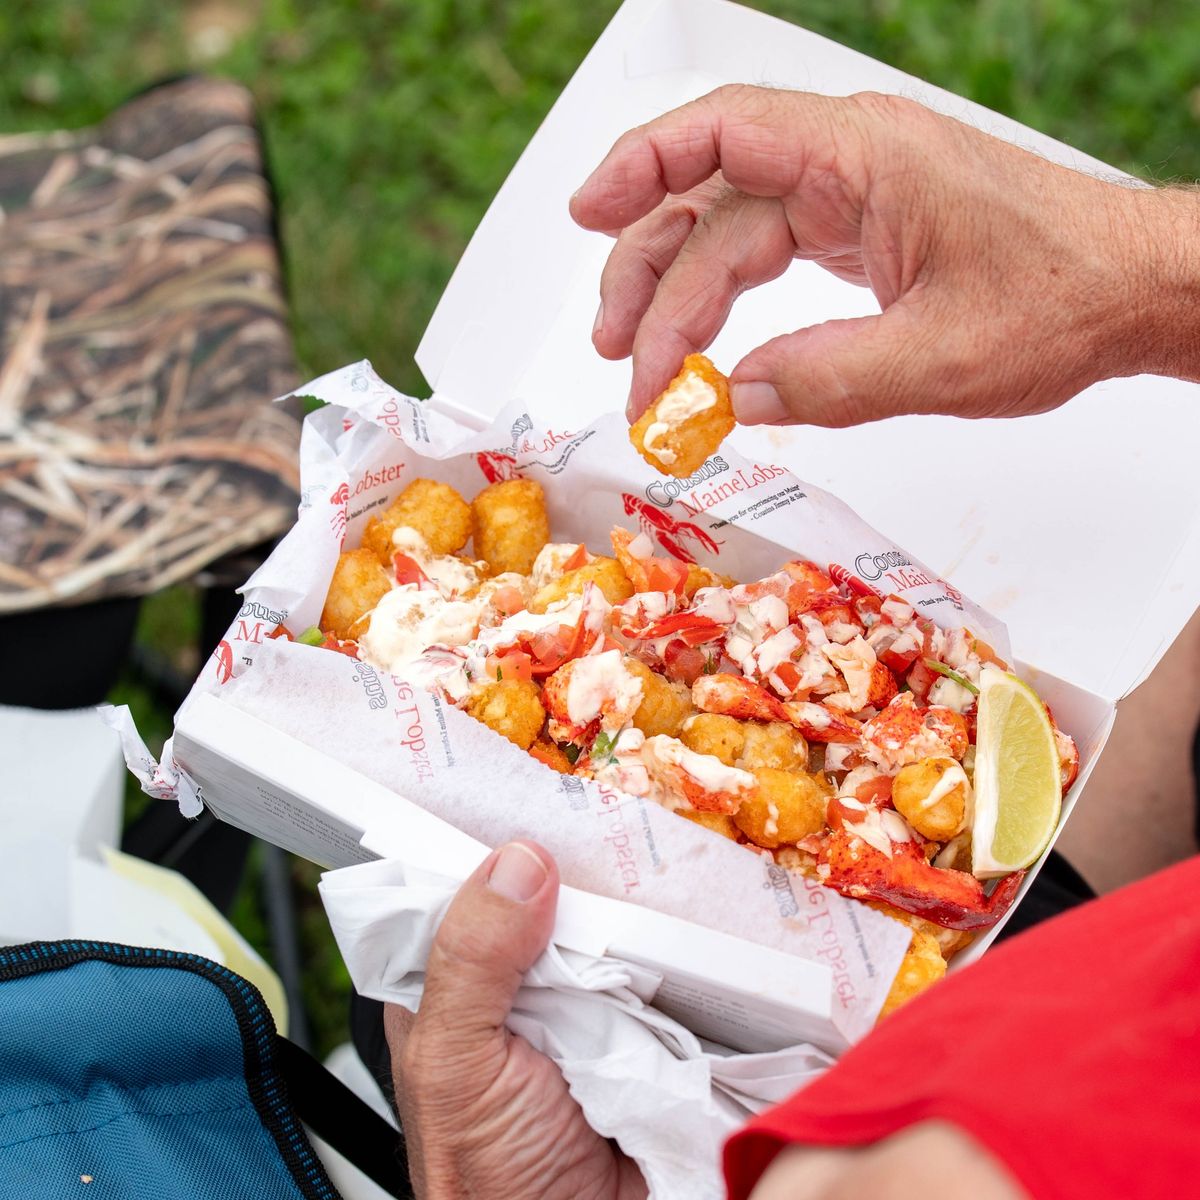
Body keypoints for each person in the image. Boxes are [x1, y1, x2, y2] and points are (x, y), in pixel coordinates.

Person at [381, 87, 1200, 1199]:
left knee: (406, 998)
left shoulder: (967, 1157)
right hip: (1096, 934)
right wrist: (1137, 272)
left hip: (988, 1022)